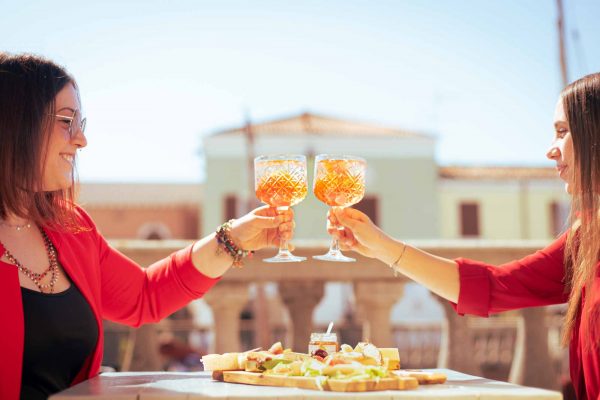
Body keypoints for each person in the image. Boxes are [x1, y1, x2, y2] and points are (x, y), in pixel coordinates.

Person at [0, 52, 296, 400]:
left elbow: (145, 296)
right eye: (67, 121)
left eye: (81, 124)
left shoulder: (71, 228)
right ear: (15, 123)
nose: (81, 140)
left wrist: (231, 239)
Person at [328, 72, 600, 400]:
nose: (550, 151)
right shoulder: (587, 237)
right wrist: (382, 247)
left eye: (561, 132)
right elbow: (492, 286)